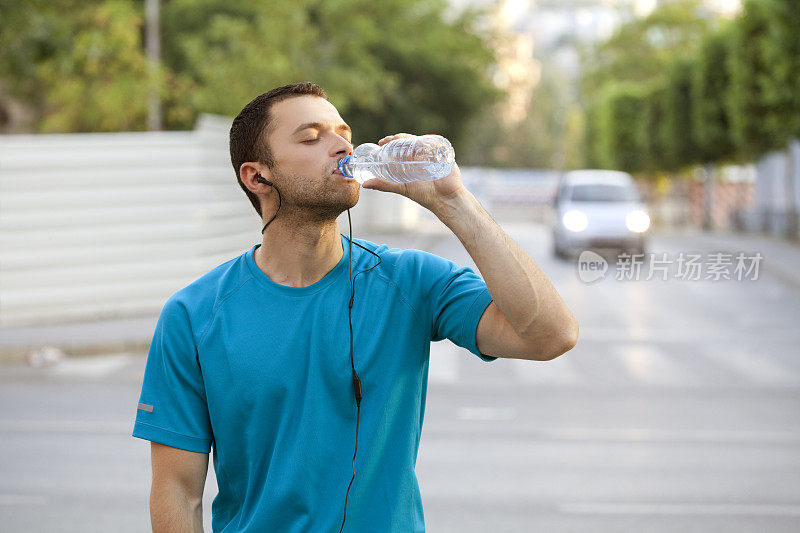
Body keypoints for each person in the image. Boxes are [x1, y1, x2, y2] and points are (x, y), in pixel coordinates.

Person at [132, 81, 578, 532]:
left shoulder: (411, 281)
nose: (342, 145)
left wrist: (453, 202)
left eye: (342, 131)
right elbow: (178, 491)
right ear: (257, 176)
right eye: (311, 137)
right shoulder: (193, 315)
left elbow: (552, 335)